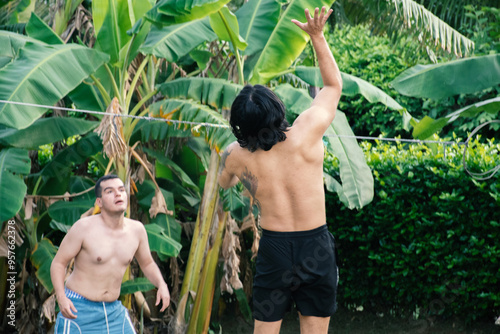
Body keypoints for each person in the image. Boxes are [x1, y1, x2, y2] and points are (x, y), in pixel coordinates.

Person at [218, 6, 342, 334]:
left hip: (274, 248)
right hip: (314, 246)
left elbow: (223, 182)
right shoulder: (308, 130)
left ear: (240, 125)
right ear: (278, 109)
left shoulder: (236, 155)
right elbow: (332, 87)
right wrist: (317, 36)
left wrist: (242, 178)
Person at [50, 174, 170, 333]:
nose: (118, 194)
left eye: (121, 190)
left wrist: (161, 284)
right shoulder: (83, 228)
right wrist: (61, 298)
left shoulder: (137, 230)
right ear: (99, 201)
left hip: (114, 311)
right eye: (110, 191)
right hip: (78, 310)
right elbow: (58, 263)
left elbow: (147, 263)